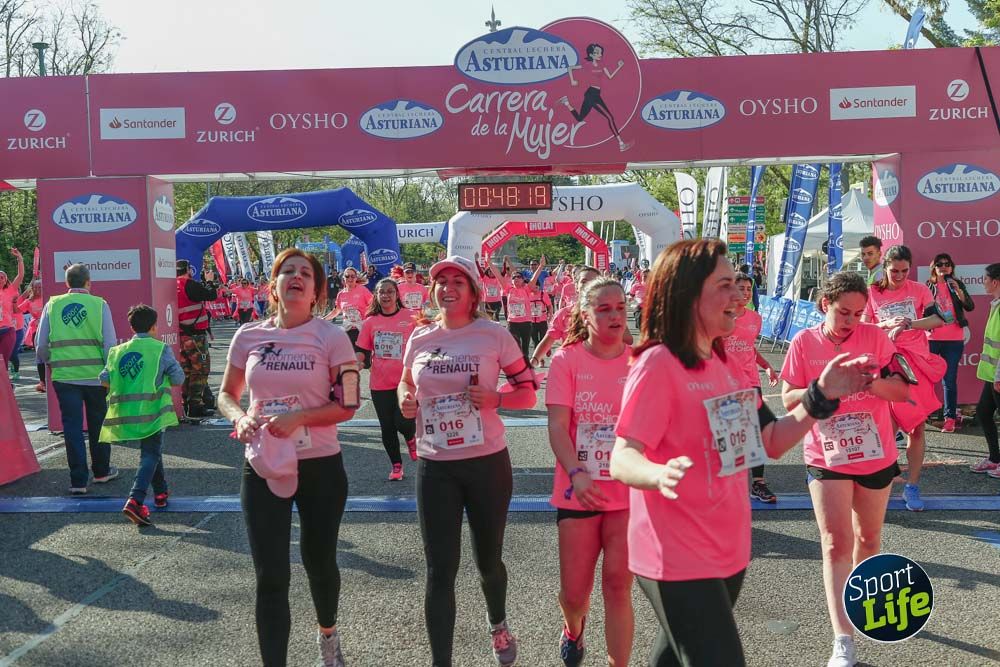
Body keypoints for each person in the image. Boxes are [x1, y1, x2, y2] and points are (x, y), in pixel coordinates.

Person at [608, 239, 873, 667]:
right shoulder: (658, 363)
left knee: (673, 658)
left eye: (737, 284)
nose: (739, 296)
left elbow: (769, 440)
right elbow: (622, 456)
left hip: (728, 548)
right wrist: (657, 474)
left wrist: (821, 395)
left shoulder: (726, 365)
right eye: (725, 285)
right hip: (675, 551)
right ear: (688, 294)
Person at [218, 249, 360, 667]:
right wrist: (240, 416)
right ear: (274, 286)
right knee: (271, 575)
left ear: (316, 291)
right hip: (264, 464)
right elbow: (226, 394)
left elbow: (349, 404)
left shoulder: (332, 336)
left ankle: (328, 635)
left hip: (320, 465)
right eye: (287, 272)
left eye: (306, 274)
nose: (296, 277)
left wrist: (300, 417)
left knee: (319, 561)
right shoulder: (248, 336)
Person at [398, 255, 538, 667]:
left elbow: (528, 393)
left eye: (458, 282)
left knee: (488, 561)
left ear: (474, 292)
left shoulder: (494, 335)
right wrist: (407, 398)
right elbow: (406, 383)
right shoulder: (420, 337)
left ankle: (498, 623)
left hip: (486, 463)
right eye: (441, 281)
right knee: (440, 569)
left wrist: (496, 399)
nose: (448, 288)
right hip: (436, 464)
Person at [781, 272, 911, 667]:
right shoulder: (804, 342)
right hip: (827, 456)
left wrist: (867, 383)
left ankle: (861, 601)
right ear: (825, 304)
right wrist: (824, 389)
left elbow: (902, 390)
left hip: (875, 455)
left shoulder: (876, 338)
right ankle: (843, 641)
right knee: (835, 543)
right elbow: (788, 399)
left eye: (858, 313)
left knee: (868, 539)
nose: (851, 321)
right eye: (843, 312)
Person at [546, 277, 633, 667]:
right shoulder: (567, 360)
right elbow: (556, 426)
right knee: (574, 595)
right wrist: (577, 472)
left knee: (618, 585)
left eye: (620, 308)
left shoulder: (640, 361)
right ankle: (573, 628)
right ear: (585, 315)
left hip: (626, 492)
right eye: (604, 309)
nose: (615, 315)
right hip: (578, 490)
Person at [864, 245, 945, 511]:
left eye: (904, 271)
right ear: (885, 268)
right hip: (886, 366)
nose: (899, 276)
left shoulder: (920, 290)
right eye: (894, 271)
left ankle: (912, 485)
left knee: (917, 428)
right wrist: (886, 325)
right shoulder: (872, 292)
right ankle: (880, 482)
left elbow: (937, 319)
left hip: (916, 366)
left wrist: (909, 323)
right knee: (885, 429)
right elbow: (862, 327)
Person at [36, 263, 119, 495]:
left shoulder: (52, 305)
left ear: (67, 283)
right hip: (95, 378)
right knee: (98, 424)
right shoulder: (99, 304)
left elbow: (40, 345)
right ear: (88, 282)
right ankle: (101, 471)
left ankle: (78, 481)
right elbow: (110, 345)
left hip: (64, 377)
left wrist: (51, 361)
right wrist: (109, 372)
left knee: (72, 427)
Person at [99, 304, 184, 527]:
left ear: (132, 327)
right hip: (152, 411)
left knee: (152, 452)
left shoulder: (117, 351)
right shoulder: (160, 349)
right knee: (150, 454)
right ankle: (135, 500)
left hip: (126, 413)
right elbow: (178, 379)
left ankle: (161, 493)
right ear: (154, 327)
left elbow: (104, 379)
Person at [726, 272, 780, 503]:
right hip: (725, 384)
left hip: (750, 381)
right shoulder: (720, 317)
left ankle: (758, 483)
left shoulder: (755, 319)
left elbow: (749, 347)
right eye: (741, 288)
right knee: (731, 433)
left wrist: (767, 366)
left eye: (749, 289)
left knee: (760, 428)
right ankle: (727, 485)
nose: (746, 293)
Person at [356, 278, 417, 480]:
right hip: (380, 383)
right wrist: (356, 363)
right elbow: (363, 351)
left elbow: (424, 342)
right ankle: (396, 466)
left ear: (397, 295)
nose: (385, 295)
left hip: (407, 381)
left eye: (390, 291)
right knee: (387, 426)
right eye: (381, 292)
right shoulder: (370, 322)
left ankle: (411, 438)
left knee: (403, 421)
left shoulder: (411, 316)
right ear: (376, 295)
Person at [926, 253, 975, 432]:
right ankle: (925, 413)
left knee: (949, 380)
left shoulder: (957, 284)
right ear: (934, 268)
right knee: (926, 378)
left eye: (947, 264)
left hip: (954, 339)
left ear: (952, 267)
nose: (944, 267)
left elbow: (970, 306)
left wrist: (959, 292)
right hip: (932, 338)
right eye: (939, 264)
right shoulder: (928, 286)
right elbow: (923, 310)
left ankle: (950, 418)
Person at [556, 43, 632, 152]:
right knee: (610, 117)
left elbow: (610, 76)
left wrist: (619, 67)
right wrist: (572, 80)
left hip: (595, 94)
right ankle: (621, 144)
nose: (600, 54)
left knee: (580, 118)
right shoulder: (587, 65)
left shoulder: (602, 64)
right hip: (591, 94)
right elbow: (570, 68)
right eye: (597, 53)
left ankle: (566, 102)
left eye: (600, 52)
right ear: (591, 54)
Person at [176, 259, 218, 419]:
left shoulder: (171, 285)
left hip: (180, 335)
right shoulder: (189, 284)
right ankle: (195, 405)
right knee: (200, 370)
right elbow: (211, 295)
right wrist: (209, 281)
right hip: (195, 336)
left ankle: (186, 404)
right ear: (188, 270)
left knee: (186, 371)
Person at [971, 263, 1000, 477]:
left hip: (998, 375)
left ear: (995, 282)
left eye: (985, 279)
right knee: (983, 412)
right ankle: (994, 459)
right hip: (993, 375)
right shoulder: (996, 304)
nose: (983, 282)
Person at [324, 266, 373, 364]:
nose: (350, 278)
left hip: (362, 329)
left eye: (352, 276)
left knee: (366, 362)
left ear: (356, 278)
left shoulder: (362, 290)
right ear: (343, 278)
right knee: (348, 359)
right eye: (347, 276)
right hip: (348, 329)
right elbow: (336, 311)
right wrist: (323, 319)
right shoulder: (341, 294)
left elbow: (374, 304)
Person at [0, 247, 24, 371]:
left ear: (6, 280)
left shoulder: (10, 291)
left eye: (2, 277)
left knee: (3, 361)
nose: (0, 279)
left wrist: (19, 258)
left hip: (7, 330)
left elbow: (20, 276)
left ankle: (4, 381)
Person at [528, 277, 552, 353]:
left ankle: (546, 349)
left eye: (537, 287)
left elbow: (549, 306)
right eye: (533, 287)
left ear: (539, 286)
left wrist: (550, 315)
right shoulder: (528, 295)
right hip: (532, 321)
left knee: (543, 338)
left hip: (542, 320)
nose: (535, 289)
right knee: (534, 340)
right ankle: (539, 356)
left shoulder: (543, 294)